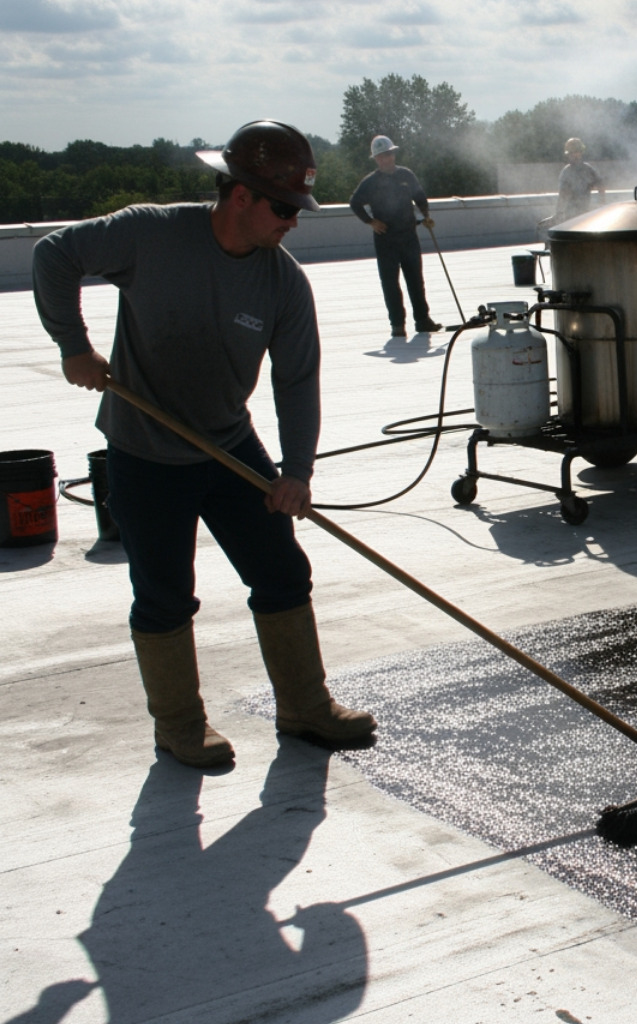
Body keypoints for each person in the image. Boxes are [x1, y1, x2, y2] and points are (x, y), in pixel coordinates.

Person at [32, 120, 377, 768]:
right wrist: (73, 345)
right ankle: (180, 727)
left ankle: (304, 706)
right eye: (283, 209)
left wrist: (296, 473)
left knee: (281, 571)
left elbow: (297, 381)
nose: (292, 224)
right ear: (240, 196)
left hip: (227, 443)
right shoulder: (152, 234)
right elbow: (54, 254)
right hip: (144, 451)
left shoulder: (283, 283)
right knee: (164, 592)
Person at [349, 134, 440, 338]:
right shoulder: (370, 182)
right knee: (390, 283)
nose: (386, 159)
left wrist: (426, 216)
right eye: (381, 156)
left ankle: (423, 320)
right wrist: (370, 222)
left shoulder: (406, 175)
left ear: (393, 154)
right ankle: (397, 325)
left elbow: (420, 197)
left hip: (408, 235)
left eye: (388, 154)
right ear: (375, 159)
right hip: (385, 240)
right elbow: (354, 203)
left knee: (416, 280)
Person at [553, 137, 605, 224]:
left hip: (585, 213)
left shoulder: (588, 169)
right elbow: (563, 194)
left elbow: (600, 185)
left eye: (577, 152)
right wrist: (558, 212)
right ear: (568, 155)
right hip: (570, 215)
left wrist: (601, 203)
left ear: (581, 153)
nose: (574, 155)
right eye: (572, 153)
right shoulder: (566, 172)